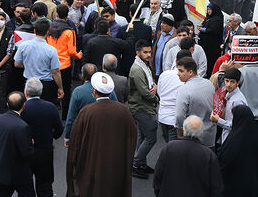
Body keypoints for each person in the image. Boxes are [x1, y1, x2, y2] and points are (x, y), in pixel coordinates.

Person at [66, 72, 137, 197]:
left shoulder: (86, 112)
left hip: (92, 165)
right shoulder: (124, 111)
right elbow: (132, 137)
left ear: (94, 91)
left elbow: (76, 141)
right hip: (116, 165)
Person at [152, 115, 224, 197]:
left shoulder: (170, 148)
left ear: (184, 129)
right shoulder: (209, 155)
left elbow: (158, 176)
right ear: (201, 132)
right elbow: (216, 187)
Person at [20, 78, 62, 197]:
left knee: (25, 187)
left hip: (26, 151)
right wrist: (51, 136)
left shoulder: (22, 108)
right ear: (41, 91)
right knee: (45, 185)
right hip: (45, 150)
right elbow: (59, 129)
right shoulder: (50, 107)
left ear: (26, 92)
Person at [0, 92, 34, 197]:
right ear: (24, 105)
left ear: (7, 105)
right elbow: (26, 152)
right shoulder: (23, 126)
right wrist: (31, 144)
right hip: (20, 174)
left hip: (2, 171)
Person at [63, 63, 118, 144]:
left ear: (83, 76)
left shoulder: (78, 91)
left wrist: (67, 136)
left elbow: (71, 117)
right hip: (105, 132)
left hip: (84, 133)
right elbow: (116, 110)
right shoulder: (107, 90)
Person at [13, 19, 63, 105]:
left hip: (28, 83)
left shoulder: (24, 45)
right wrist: (60, 88)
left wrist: (29, 64)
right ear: (47, 32)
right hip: (45, 85)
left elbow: (17, 64)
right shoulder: (51, 50)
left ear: (35, 31)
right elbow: (55, 72)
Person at [127, 40, 158, 179]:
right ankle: (136, 163)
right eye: (145, 52)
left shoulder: (143, 65)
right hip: (141, 107)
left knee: (142, 136)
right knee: (151, 138)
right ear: (137, 53)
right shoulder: (137, 69)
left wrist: (155, 88)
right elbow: (145, 92)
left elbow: (150, 83)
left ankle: (141, 164)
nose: (148, 55)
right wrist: (157, 98)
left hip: (142, 106)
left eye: (149, 52)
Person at [217, 106, 258, 197]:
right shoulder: (255, 136)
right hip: (250, 183)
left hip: (234, 185)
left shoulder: (234, 139)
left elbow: (224, 160)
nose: (232, 118)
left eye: (233, 115)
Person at [175, 57, 216, 148]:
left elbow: (179, 116)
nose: (178, 74)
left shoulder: (184, 90)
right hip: (210, 137)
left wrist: (180, 135)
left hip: (192, 139)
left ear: (190, 72)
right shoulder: (209, 84)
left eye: (181, 71)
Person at [157, 50, 188, 143]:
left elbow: (159, 92)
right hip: (175, 120)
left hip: (162, 116)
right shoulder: (186, 79)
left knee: (169, 147)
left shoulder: (164, 74)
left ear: (176, 60)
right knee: (174, 150)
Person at [209, 67, 247, 143]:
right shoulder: (229, 95)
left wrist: (218, 120)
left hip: (232, 140)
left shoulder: (237, 101)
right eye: (227, 81)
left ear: (238, 82)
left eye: (232, 82)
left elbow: (235, 125)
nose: (229, 84)